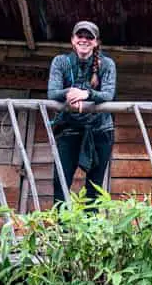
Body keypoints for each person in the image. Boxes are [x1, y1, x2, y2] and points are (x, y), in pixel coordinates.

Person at [47, 21, 116, 206]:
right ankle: (60, 231)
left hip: (100, 130)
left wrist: (86, 94)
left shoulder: (107, 64)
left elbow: (108, 94)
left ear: (96, 42)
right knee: (60, 182)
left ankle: (90, 231)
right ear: (72, 40)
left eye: (89, 37)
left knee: (94, 186)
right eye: (80, 36)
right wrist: (70, 94)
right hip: (69, 129)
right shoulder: (60, 62)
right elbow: (52, 92)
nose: (84, 40)